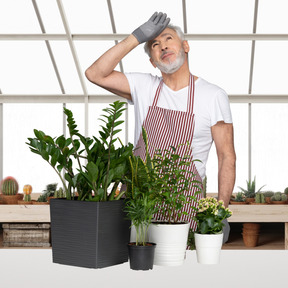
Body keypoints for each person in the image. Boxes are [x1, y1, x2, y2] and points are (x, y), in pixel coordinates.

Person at [85, 12, 236, 243]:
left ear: (185, 46)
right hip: (139, 207)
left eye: (168, 39)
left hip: (185, 209)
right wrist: (136, 37)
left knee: (181, 272)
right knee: (137, 271)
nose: (163, 46)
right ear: (152, 61)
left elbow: (226, 156)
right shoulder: (143, 86)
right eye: (155, 44)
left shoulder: (213, 96)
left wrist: (220, 211)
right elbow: (94, 73)